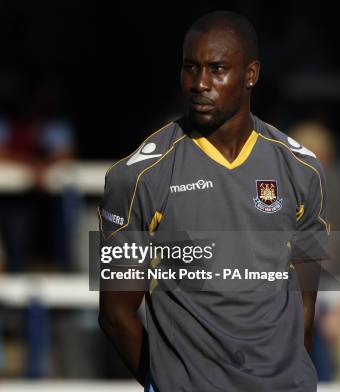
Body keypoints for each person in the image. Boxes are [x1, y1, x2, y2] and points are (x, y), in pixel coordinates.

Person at [98, 11, 329, 392]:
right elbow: (114, 315)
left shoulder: (304, 170)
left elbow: (306, 303)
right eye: (191, 68)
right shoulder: (136, 176)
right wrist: (166, 382)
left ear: (251, 74)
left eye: (217, 69)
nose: (200, 83)